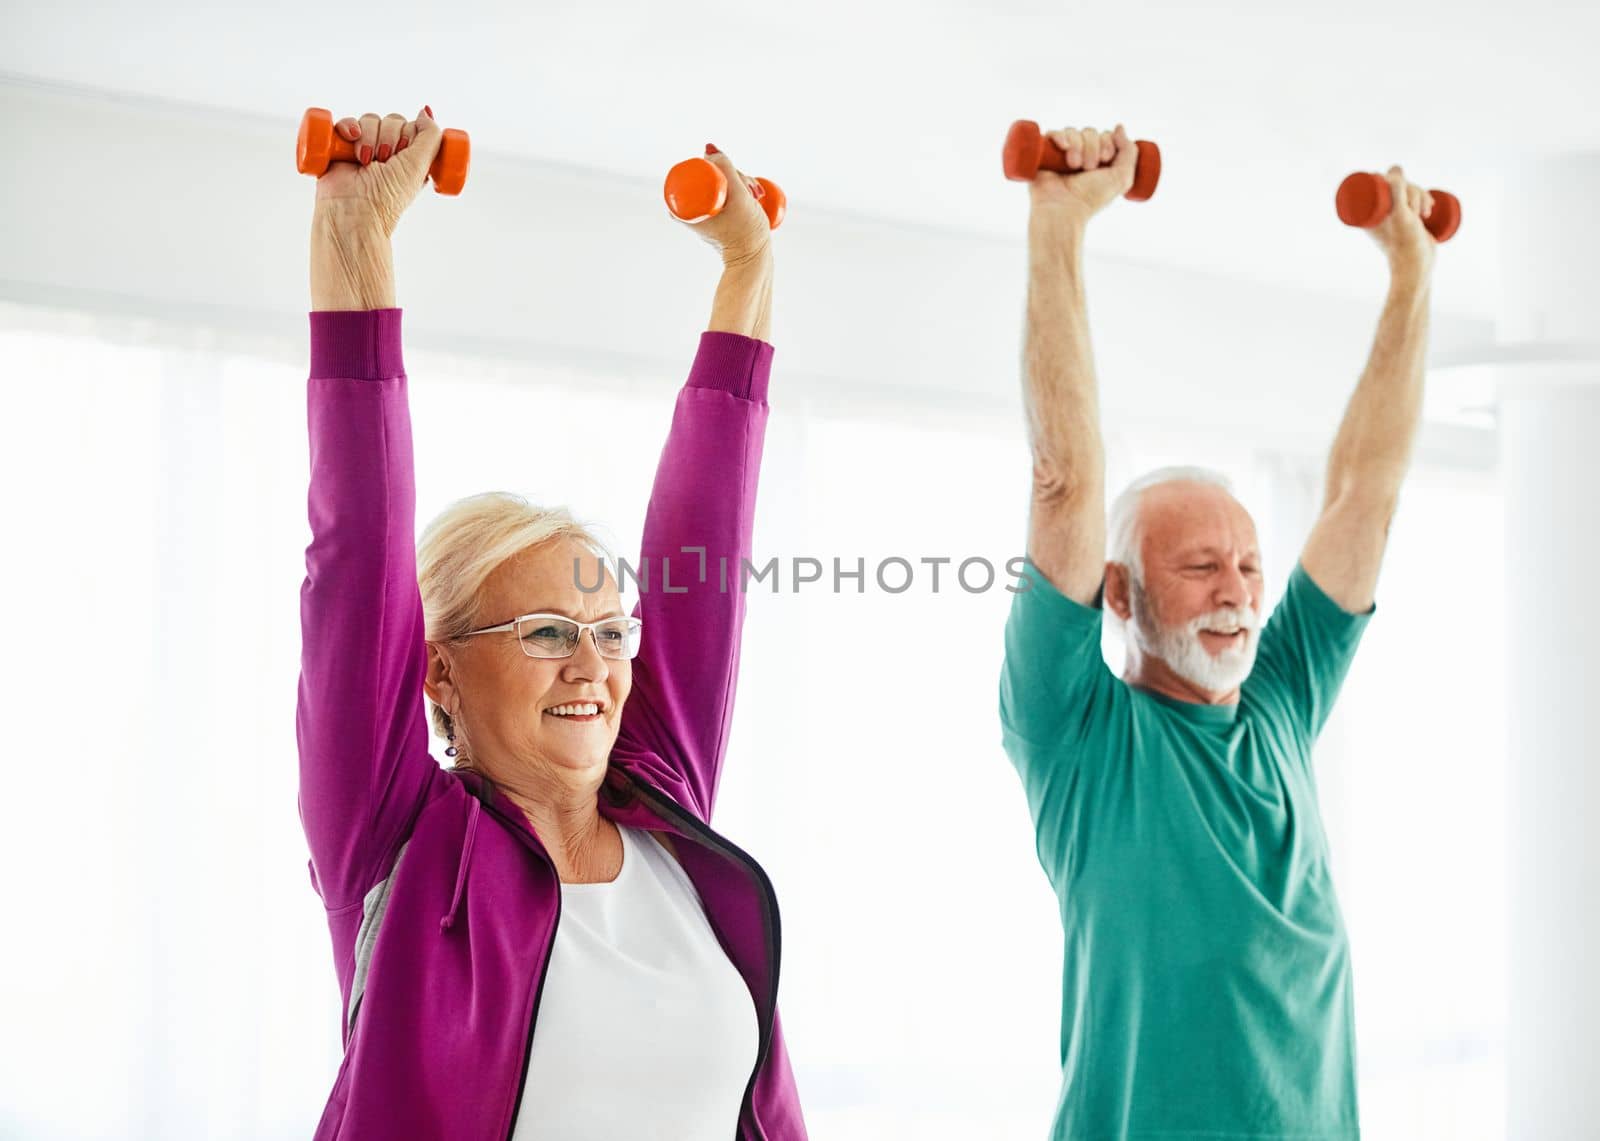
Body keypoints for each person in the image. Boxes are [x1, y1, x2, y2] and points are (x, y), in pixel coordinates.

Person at [298, 107, 805, 1139]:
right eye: (542, 632)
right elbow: (355, 554)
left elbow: (705, 557)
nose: (594, 664)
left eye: (610, 630)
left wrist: (747, 268)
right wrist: (355, 235)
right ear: (438, 672)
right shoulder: (398, 839)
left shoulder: (667, 808)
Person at [998, 123, 1438, 1138]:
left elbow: (1364, 489)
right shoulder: (1076, 733)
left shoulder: (1281, 698)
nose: (1235, 591)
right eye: (1197, 568)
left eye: (1245, 564)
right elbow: (1064, 482)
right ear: (1118, 593)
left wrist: (1410, 270)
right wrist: (1058, 227)